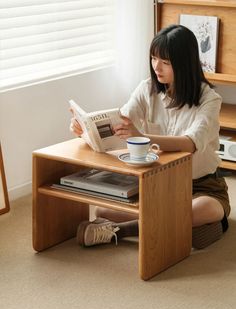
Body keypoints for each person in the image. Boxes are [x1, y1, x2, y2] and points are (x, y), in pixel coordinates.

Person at [70, 24, 231, 249]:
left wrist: (142, 136)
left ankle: (124, 230)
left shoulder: (209, 100)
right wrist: (85, 130)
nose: (156, 66)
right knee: (102, 209)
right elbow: (120, 123)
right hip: (157, 185)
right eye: (154, 58)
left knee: (206, 209)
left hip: (203, 186)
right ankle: (184, 227)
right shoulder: (147, 89)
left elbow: (189, 144)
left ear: (184, 64)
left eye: (165, 62)